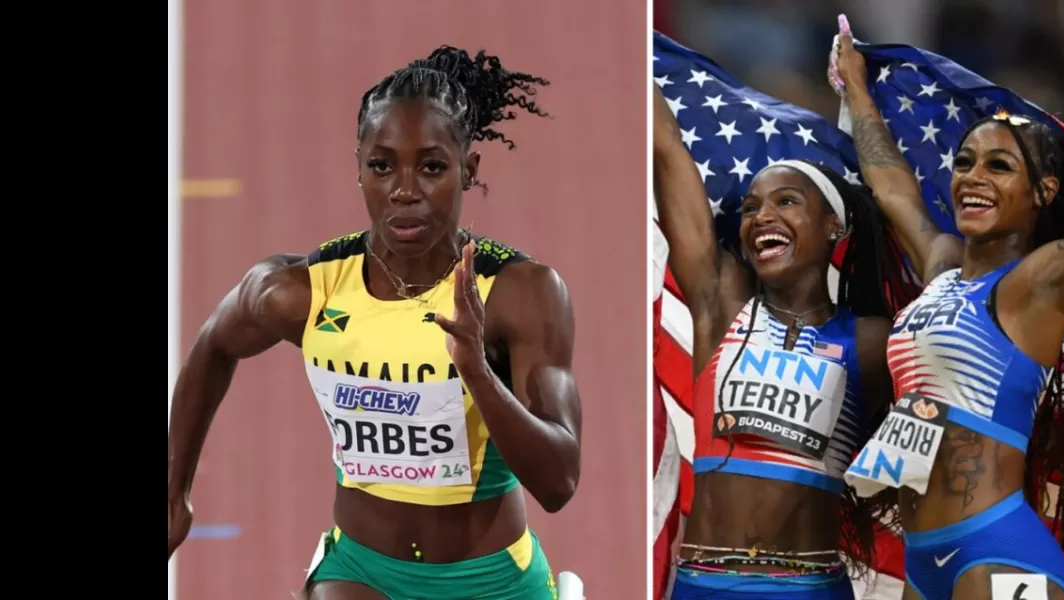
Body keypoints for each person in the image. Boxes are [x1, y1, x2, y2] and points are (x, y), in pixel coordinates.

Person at [166, 46, 583, 600]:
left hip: (491, 578)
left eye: (431, 167)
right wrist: (175, 493)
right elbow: (214, 343)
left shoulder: (519, 293)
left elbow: (559, 483)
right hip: (362, 571)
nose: (404, 190)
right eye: (382, 166)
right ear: (358, 166)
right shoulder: (300, 290)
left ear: (470, 169)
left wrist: (477, 371)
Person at [831, 26, 1064, 600]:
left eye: (999, 166)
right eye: (965, 162)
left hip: (998, 548)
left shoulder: (1044, 280)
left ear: (1043, 191)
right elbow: (892, 187)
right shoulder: (942, 267)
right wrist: (858, 90)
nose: (973, 176)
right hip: (925, 559)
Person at [652, 84, 915, 600]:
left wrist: (858, 94)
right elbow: (665, 146)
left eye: (786, 202)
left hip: (809, 587)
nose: (761, 217)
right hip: (703, 584)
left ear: (834, 226)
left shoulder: (870, 340)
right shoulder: (721, 305)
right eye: (750, 209)